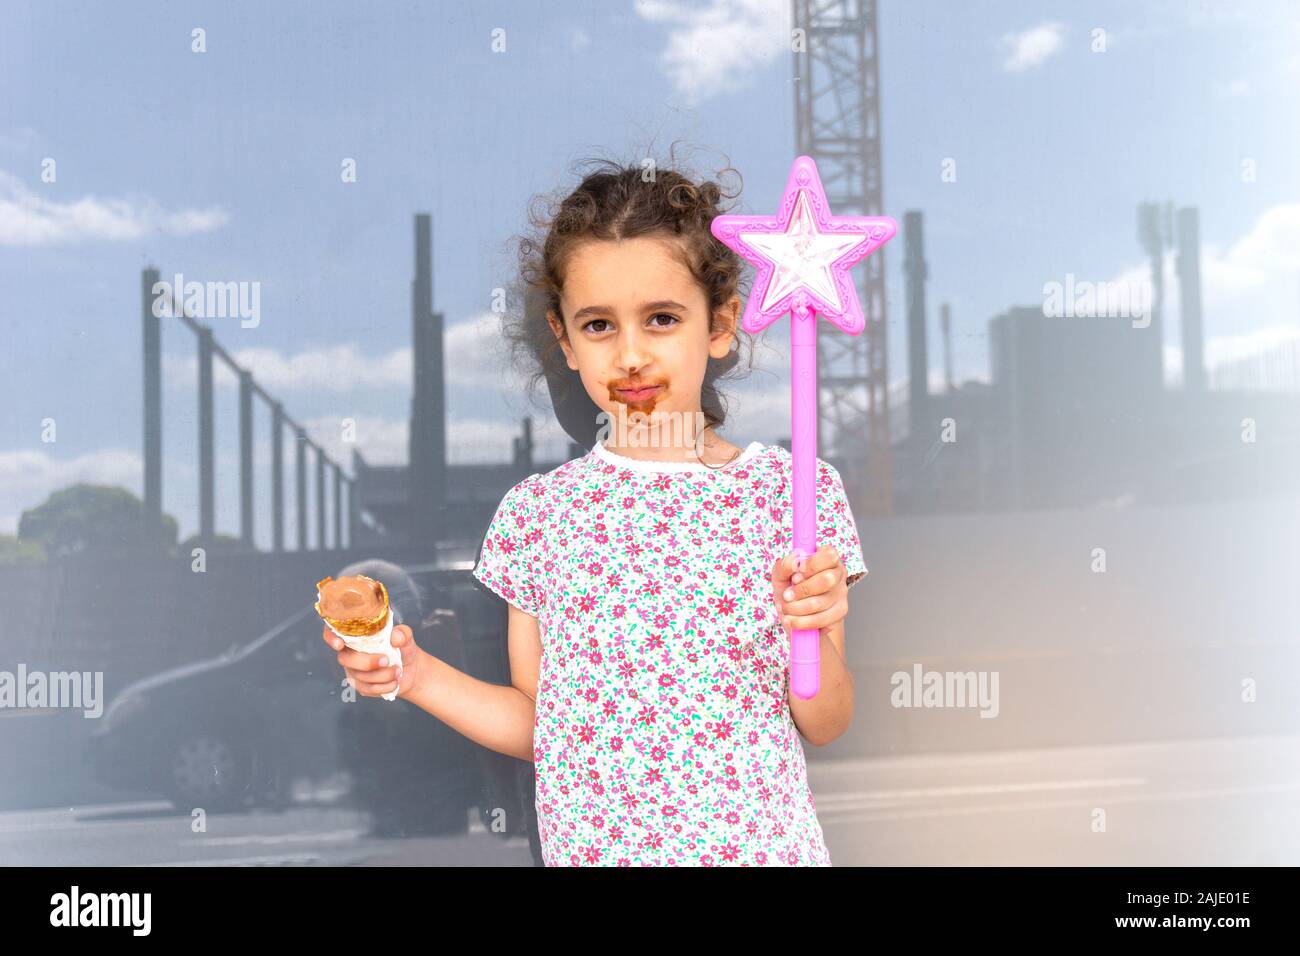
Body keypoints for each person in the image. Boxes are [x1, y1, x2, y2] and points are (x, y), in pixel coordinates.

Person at [324, 148, 868, 866]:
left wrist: (815, 627)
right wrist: (416, 672)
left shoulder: (793, 494)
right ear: (565, 339)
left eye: (663, 318)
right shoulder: (538, 517)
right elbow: (540, 724)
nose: (631, 355)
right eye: (599, 325)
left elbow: (825, 721)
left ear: (721, 323)